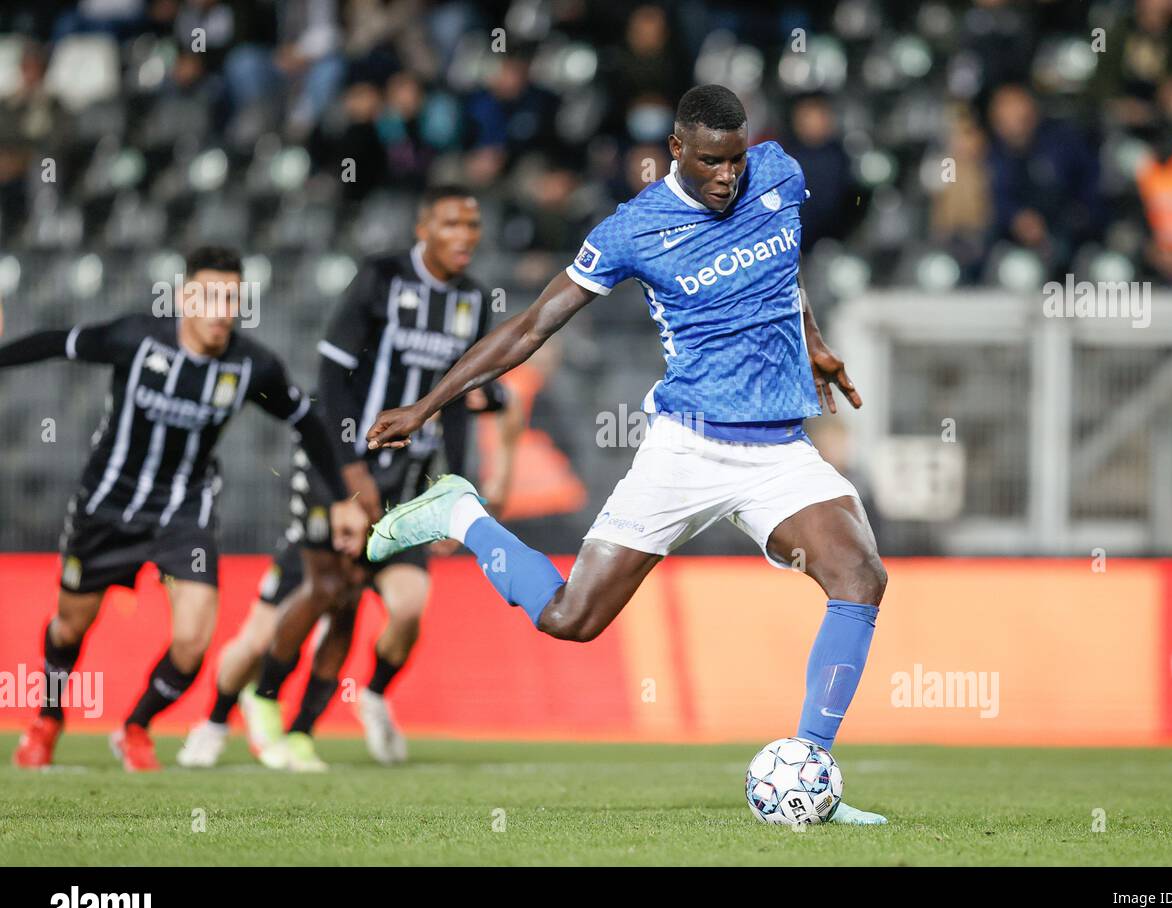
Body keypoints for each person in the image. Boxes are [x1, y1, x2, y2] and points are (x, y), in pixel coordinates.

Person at [364, 85, 889, 825]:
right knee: (571, 619)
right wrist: (427, 405)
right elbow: (530, 328)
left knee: (860, 575)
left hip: (778, 448)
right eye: (710, 161)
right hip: (688, 448)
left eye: (735, 160)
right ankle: (459, 511)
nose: (726, 177)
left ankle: (809, 770)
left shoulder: (777, 172)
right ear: (675, 149)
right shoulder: (634, 230)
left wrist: (812, 341)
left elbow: (782, 266)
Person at [185, 186, 518, 772]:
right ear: (423, 227)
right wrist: (349, 474)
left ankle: (346, 709)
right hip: (336, 468)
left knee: (407, 605)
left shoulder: (470, 299)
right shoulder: (379, 278)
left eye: (473, 224)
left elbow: (463, 399)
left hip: (406, 482)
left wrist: (456, 486)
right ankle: (220, 719)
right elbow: (331, 378)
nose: (466, 235)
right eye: (452, 223)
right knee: (300, 609)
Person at [2, 245, 368, 771]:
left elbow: (306, 423)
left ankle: (135, 727)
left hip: (183, 510)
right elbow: (57, 342)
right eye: (211, 297)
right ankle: (49, 717)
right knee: (69, 626)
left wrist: (342, 500)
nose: (222, 310)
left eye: (232, 300)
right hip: (107, 504)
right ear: (184, 298)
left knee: (194, 640)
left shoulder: (252, 365)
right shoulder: (135, 338)